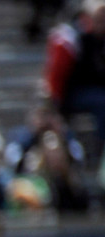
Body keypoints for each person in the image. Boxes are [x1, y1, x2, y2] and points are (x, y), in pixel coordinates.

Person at [42, 0, 105, 146]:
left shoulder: (99, 39)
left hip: (94, 88)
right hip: (71, 93)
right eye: (99, 18)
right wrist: (54, 106)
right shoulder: (70, 39)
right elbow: (55, 77)